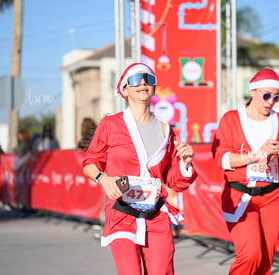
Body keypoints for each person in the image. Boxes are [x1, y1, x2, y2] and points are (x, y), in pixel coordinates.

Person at [83, 62, 197, 275]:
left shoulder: (167, 130)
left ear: (154, 87)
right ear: (124, 90)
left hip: (156, 215)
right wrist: (104, 179)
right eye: (136, 80)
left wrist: (186, 163)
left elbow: (174, 181)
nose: (143, 83)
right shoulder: (110, 124)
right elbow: (90, 162)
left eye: (148, 79)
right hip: (122, 214)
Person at [212, 68, 279, 275]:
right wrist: (256, 156)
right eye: (266, 95)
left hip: (273, 196)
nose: (271, 101)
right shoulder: (231, 119)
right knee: (250, 254)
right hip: (241, 195)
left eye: (277, 97)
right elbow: (221, 159)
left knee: (266, 259)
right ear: (253, 92)